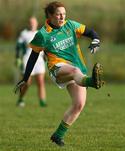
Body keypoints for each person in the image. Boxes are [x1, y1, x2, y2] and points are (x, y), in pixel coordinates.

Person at [14, 1, 104, 147]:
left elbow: (91, 32)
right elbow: (33, 56)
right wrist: (25, 78)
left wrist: (96, 40)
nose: (62, 17)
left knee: (79, 104)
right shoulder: (43, 34)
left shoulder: (71, 25)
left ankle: (58, 135)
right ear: (49, 16)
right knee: (75, 72)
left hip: (78, 70)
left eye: (64, 14)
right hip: (58, 68)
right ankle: (92, 82)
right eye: (58, 14)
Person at [15, 16, 47, 107]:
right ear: (28, 23)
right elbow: (18, 46)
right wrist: (17, 58)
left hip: (39, 60)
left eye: (34, 22)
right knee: (27, 82)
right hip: (27, 59)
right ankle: (21, 98)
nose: (32, 24)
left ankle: (42, 102)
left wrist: (46, 57)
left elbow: (44, 47)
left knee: (40, 82)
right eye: (30, 22)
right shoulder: (24, 33)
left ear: (37, 23)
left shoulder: (40, 33)